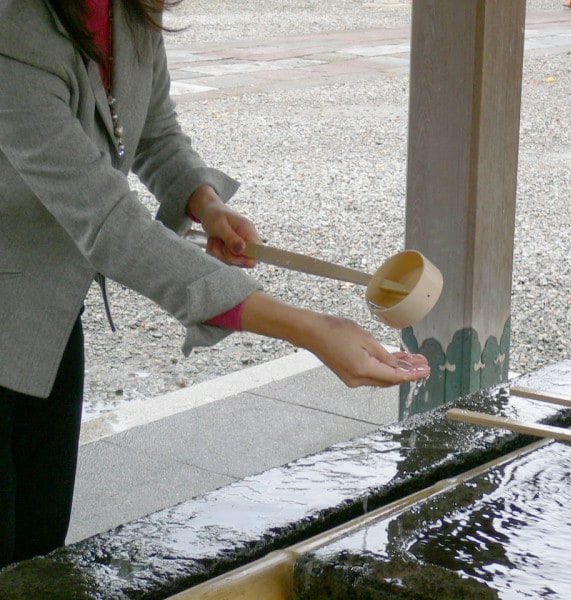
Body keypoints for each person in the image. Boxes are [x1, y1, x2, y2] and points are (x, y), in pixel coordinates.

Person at [0, 0, 430, 569]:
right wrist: (308, 327)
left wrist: (203, 202)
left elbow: (152, 131)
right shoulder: (13, 30)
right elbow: (107, 223)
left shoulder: (131, 12)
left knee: (38, 551)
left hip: (44, 324)